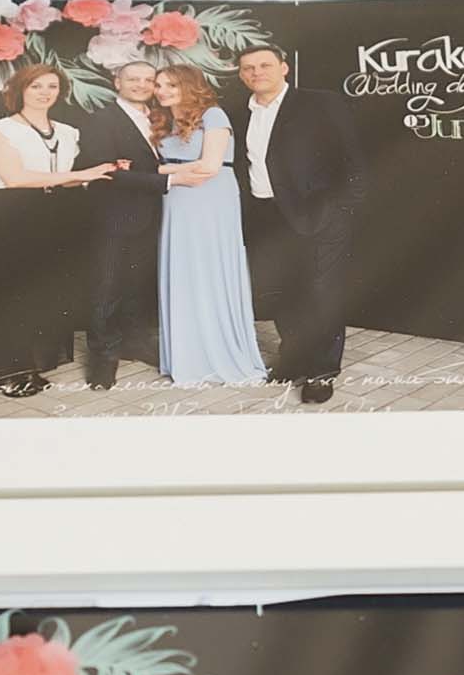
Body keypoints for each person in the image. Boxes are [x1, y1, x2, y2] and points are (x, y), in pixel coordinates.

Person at [0, 62, 120, 398]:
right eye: (36, 86)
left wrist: (100, 172)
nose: (44, 93)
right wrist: (80, 174)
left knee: (41, 292)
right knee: (13, 293)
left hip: (53, 216)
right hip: (12, 216)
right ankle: (9, 373)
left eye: (52, 86)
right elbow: (15, 178)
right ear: (19, 90)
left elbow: (64, 180)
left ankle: (31, 365)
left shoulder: (67, 132)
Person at [232, 41, 361, 405]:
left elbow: (351, 157)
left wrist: (340, 207)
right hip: (264, 214)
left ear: (284, 67)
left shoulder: (320, 103)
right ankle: (293, 358)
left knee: (322, 292)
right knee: (281, 290)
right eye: (248, 68)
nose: (257, 73)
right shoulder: (239, 112)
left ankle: (322, 371)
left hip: (318, 213)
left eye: (265, 65)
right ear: (241, 75)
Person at [151, 61, 266, 388]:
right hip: (176, 199)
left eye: (171, 85)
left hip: (210, 197)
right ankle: (188, 355)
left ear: (189, 85)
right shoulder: (162, 120)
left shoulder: (213, 115)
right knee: (183, 271)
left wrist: (154, 172)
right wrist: (164, 174)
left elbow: (210, 166)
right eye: (159, 85)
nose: (162, 91)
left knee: (210, 269)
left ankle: (219, 352)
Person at [71, 58, 170, 389]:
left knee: (139, 282)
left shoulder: (161, 117)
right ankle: (104, 356)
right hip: (113, 215)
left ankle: (135, 342)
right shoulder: (101, 120)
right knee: (107, 286)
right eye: (133, 79)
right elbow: (107, 171)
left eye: (148, 80)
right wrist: (167, 182)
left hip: (152, 214)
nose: (141, 85)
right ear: (117, 82)